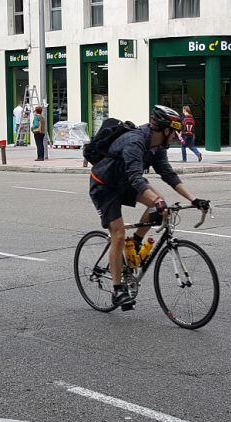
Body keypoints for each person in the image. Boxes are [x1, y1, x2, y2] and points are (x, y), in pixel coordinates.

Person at [88, 105, 211, 310]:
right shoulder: (135, 142)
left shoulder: (158, 147)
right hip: (105, 185)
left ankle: (135, 242)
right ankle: (118, 291)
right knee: (118, 234)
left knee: (159, 202)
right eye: (174, 132)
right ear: (165, 130)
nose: (176, 137)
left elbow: (168, 174)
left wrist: (194, 199)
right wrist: (157, 200)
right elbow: (136, 177)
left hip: (124, 183)